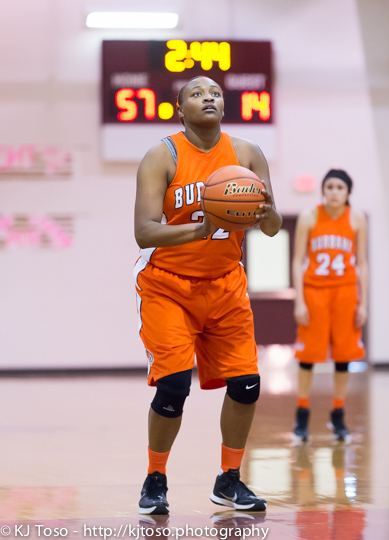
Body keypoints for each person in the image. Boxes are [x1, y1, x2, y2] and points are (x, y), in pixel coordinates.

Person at [133, 75, 282, 515]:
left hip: (225, 283)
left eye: (215, 92)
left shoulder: (247, 154)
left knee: (248, 384)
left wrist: (266, 211)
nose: (209, 97)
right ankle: (155, 478)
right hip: (168, 285)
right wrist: (200, 228)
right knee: (174, 387)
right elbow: (143, 231)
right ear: (180, 109)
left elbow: (271, 228)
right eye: (197, 94)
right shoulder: (162, 155)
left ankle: (229, 480)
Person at [291, 169, 368, 444]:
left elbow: (362, 263)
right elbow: (298, 260)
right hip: (315, 292)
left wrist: (364, 302)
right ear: (323, 190)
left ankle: (338, 414)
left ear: (348, 192)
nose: (334, 191)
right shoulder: (308, 217)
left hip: (345, 292)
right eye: (330, 186)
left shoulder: (356, 218)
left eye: (340, 187)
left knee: (344, 356)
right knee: (308, 356)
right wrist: (299, 299)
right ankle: (302, 416)